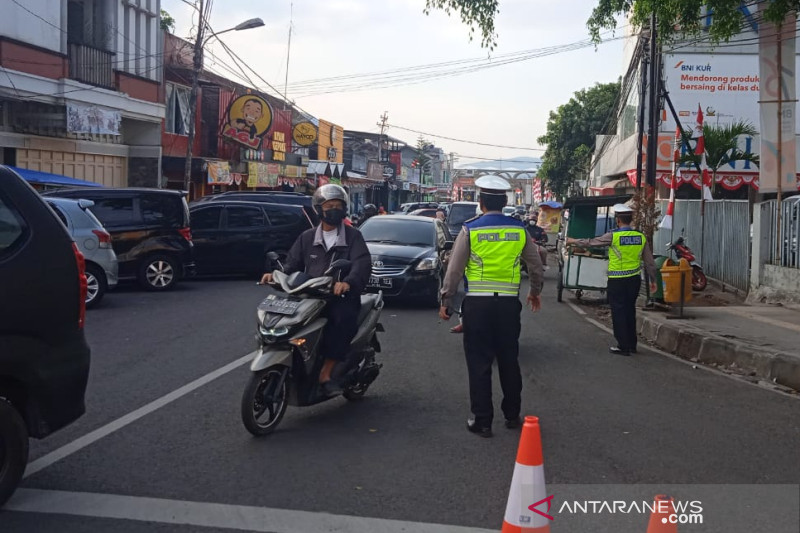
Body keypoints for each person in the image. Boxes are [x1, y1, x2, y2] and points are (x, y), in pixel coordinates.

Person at [439, 175, 544, 438]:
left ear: (480, 202)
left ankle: (483, 421)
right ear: (505, 201)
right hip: (509, 305)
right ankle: (512, 415)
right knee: (509, 359)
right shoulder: (519, 229)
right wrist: (534, 293)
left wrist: (447, 301)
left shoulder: (470, 229)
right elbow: (535, 266)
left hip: (477, 305)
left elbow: (454, 270)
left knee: (479, 362)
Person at [260, 184, 371, 395]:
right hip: (309, 294)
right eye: (330, 205)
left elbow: (362, 263)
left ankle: (326, 373)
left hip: (340, 297)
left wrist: (347, 282)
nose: (334, 209)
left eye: (339, 205)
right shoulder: (307, 237)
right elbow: (291, 265)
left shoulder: (353, 236)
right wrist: (275, 276)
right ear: (319, 209)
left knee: (341, 320)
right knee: (285, 319)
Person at [566, 203, 658, 356]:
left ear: (618, 220)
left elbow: (591, 242)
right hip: (634, 280)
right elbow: (649, 262)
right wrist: (653, 280)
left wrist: (573, 241)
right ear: (630, 220)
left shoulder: (614, 236)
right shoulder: (640, 237)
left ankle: (623, 346)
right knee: (629, 310)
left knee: (618, 312)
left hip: (617, 280)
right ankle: (632, 344)